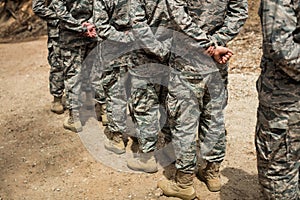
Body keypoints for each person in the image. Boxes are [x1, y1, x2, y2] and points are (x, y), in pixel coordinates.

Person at [189, 0, 248, 192]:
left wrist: (207, 44)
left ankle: (184, 176)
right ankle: (211, 171)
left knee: (184, 115)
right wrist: (216, 44)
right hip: (217, 54)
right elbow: (238, 13)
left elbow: (175, 15)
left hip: (187, 53)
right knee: (213, 114)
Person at [255, 0, 300, 199]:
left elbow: (282, 50)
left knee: (278, 174)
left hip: (286, 102)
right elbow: (282, 48)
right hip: (286, 100)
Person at [51, 0, 97, 132]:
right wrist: (90, 25)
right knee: (94, 71)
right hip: (91, 34)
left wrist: (80, 27)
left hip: (71, 37)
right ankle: (103, 111)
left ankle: (74, 119)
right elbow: (101, 6)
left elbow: (60, 12)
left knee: (73, 75)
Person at [32, 0, 65, 114]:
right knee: (58, 63)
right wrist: (60, 17)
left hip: (79, 31)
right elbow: (38, 7)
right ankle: (57, 98)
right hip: (58, 31)